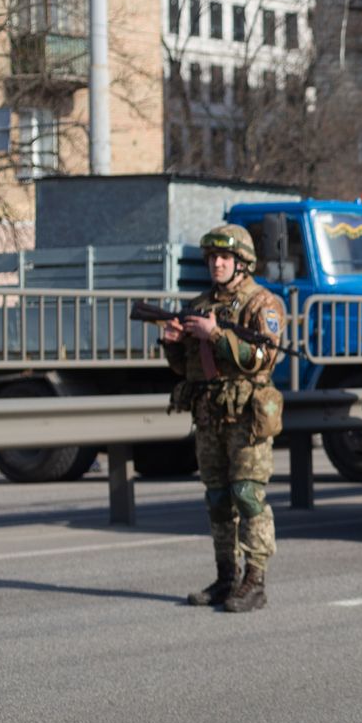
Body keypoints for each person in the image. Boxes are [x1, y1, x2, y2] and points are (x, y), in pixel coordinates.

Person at [159, 224, 286, 613]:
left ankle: (255, 580)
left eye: (224, 258)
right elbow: (187, 369)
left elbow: (262, 358)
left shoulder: (261, 304)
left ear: (242, 263)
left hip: (247, 417)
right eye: (212, 258)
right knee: (217, 499)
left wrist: (216, 335)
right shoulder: (200, 306)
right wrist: (172, 344)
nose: (216, 264)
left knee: (247, 495)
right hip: (210, 414)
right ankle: (226, 575)